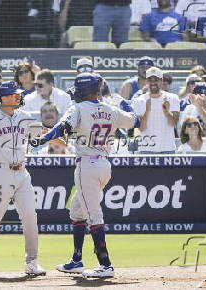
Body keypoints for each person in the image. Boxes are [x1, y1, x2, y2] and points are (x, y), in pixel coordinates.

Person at [31, 72, 140, 278]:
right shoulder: (111, 109)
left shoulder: (78, 108)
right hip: (104, 165)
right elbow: (135, 121)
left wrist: (44, 138)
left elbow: (62, 127)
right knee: (77, 212)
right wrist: (126, 104)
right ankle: (76, 260)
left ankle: (105, 264)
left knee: (93, 215)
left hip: (86, 166)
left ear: (83, 91)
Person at [0, 81, 46, 277]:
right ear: (3, 98)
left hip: (22, 172)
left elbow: (42, 134)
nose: (18, 97)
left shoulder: (24, 116)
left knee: (30, 216)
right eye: (14, 95)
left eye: (18, 94)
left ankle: (32, 262)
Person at [133, 67, 180, 153]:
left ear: (161, 80)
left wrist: (166, 112)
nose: (153, 83)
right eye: (150, 80)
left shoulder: (173, 98)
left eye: (156, 80)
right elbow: (141, 128)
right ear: (146, 81)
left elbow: (173, 123)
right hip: (146, 150)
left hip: (168, 149)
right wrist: (147, 111)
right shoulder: (138, 101)